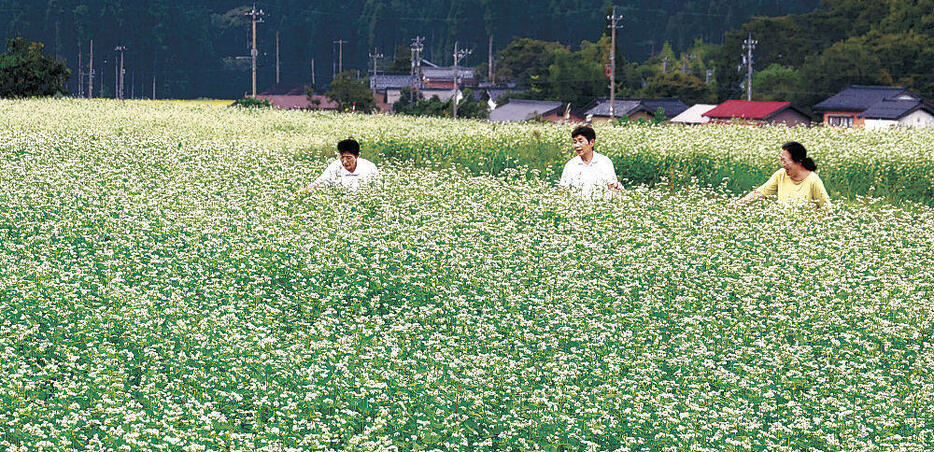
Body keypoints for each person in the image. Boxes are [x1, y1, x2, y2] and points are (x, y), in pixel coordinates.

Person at [740, 141, 831, 208]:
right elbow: (761, 193)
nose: (782, 164)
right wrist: (736, 205)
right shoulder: (780, 175)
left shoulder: (813, 180)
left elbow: (826, 208)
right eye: (781, 160)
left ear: (799, 161)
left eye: (785, 160)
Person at [559, 126, 621, 196]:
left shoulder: (604, 162)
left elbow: (612, 188)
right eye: (575, 142)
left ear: (591, 142)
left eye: (580, 141)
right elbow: (563, 191)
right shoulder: (570, 165)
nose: (576, 145)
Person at [305, 138, 380, 192]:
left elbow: (378, 188)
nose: (344, 162)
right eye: (342, 157)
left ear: (357, 156)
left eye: (348, 158)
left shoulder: (369, 167)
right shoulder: (334, 167)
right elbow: (319, 183)